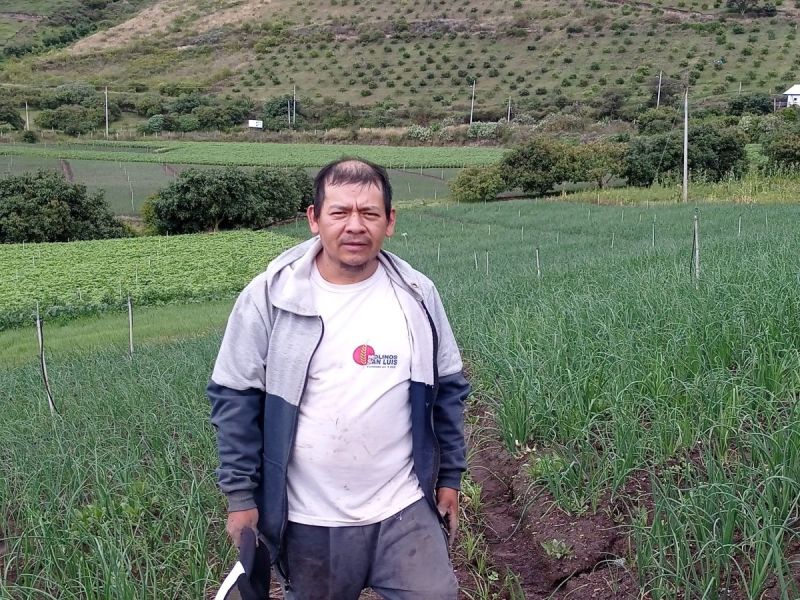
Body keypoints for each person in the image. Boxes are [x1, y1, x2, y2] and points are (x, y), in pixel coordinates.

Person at [208, 157, 470, 599]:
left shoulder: (417, 294)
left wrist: (450, 479)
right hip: (311, 521)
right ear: (314, 219)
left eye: (369, 213)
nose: (355, 226)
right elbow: (235, 399)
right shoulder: (270, 298)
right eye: (340, 212)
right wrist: (240, 498)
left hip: (403, 509)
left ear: (389, 222)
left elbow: (447, 391)